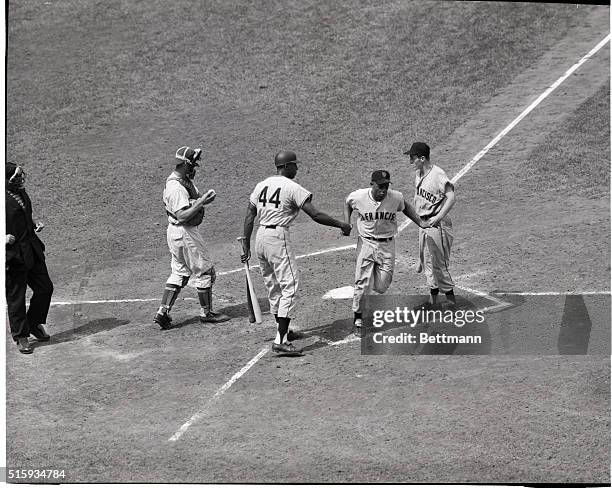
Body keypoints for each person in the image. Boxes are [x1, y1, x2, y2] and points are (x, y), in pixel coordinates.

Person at [241, 150, 352, 356]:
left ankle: (283, 332)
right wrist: (340, 224)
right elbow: (315, 214)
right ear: (285, 166)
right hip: (277, 238)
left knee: (274, 286)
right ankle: (281, 339)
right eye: (294, 165)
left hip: (260, 238)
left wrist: (246, 243)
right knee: (289, 285)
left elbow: (250, 215)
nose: (297, 168)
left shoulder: (261, 185)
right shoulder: (292, 187)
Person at [153, 146, 230, 329]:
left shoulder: (183, 182)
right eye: (193, 164)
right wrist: (202, 201)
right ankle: (206, 313)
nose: (195, 167)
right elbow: (182, 216)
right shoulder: (176, 187)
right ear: (186, 164)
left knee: (179, 272)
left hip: (177, 233)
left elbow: (191, 203)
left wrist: (200, 199)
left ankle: (162, 312)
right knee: (205, 272)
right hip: (184, 232)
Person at [344, 170, 427, 336]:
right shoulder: (359, 196)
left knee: (382, 286)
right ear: (372, 184)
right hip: (366, 242)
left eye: (386, 186)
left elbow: (405, 207)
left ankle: (369, 281)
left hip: (387, 245)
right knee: (362, 283)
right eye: (380, 186)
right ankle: (358, 319)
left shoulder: (395, 197)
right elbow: (347, 203)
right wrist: (346, 223)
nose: (383, 189)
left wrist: (420, 222)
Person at [5, 162, 53, 354]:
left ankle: (33, 323)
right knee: (16, 297)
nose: (19, 179)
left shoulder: (20, 192)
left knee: (45, 288)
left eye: (19, 175)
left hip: (31, 249)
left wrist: (33, 223)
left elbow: (22, 215)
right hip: (14, 255)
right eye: (15, 177)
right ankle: (21, 336)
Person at [404, 142, 456, 307]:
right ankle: (433, 299)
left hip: (437, 225)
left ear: (422, 158)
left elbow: (451, 196)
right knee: (427, 262)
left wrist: (439, 217)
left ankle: (451, 301)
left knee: (439, 264)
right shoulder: (419, 174)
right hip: (424, 223)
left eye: (413, 158)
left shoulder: (437, 174)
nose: (411, 162)